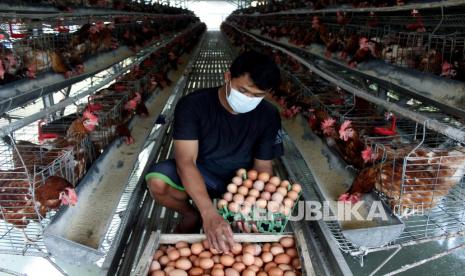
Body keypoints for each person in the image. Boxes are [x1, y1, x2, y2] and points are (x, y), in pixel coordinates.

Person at [145, 50, 283, 252]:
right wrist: (208, 212)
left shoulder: (268, 114)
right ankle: (192, 215)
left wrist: (254, 202)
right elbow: (186, 161)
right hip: (202, 175)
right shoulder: (193, 105)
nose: (249, 99)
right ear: (227, 77)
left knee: (270, 205)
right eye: (243, 91)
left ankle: (234, 217)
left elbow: (262, 165)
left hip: (240, 182)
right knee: (158, 181)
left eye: (258, 95)